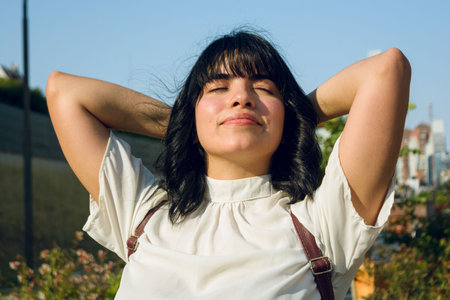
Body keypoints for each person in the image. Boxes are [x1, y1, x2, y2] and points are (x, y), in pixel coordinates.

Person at [46, 31, 411, 299]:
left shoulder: (323, 226)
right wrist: (187, 126)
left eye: (264, 89)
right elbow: (64, 93)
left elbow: (386, 70)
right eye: (218, 89)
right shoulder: (142, 214)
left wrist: (292, 120)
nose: (241, 98)